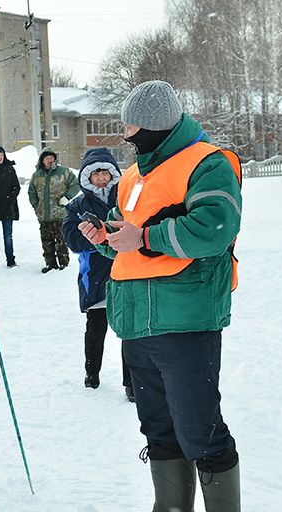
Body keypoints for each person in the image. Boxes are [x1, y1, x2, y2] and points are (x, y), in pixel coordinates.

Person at [78, 80, 242, 512]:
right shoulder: (134, 175)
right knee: (158, 430)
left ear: (154, 125)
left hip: (185, 320)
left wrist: (145, 236)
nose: (126, 134)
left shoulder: (207, 163)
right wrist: (103, 237)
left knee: (199, 431)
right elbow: (123, 234)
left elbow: (215, 228)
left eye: (130, 125)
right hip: (136, 322)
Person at [62, 147, 133, 399]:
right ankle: (92, 373)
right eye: (96, 174)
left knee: (128, 330)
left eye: (106, 173)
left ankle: (132, 383)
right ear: (87, 177)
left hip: (125, 272)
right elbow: (72, 240)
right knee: (96, 327)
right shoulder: (77, 205)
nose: (101, 178)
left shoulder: (125, 199)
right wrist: (96, 236)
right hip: (95, 276)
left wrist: (111, 234)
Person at [28, 147, 79, 273]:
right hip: (44, 215)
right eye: (47, 158)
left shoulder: (64, 172)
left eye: (52, 157)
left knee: (61, 241)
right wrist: (37, 207)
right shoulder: (37, 175)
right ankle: (50, 264)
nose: (50, 160)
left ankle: (63, 265)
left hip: (60, 214)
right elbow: (31, 192)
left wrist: (67, 197)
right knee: (47, 242)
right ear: (42, 160)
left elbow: (76, 184)